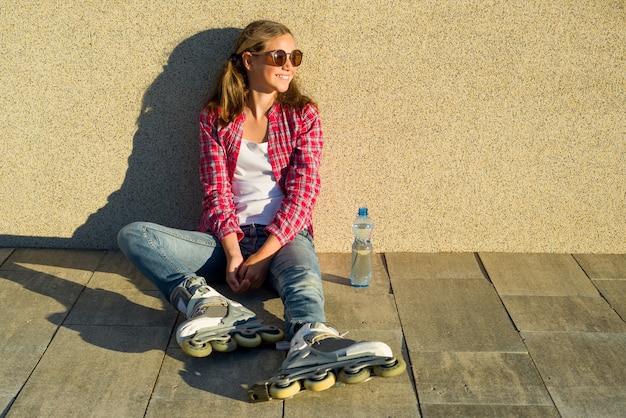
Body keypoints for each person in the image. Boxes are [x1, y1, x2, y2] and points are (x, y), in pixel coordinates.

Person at [118, 20, 404, 402]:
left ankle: (310, 337)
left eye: (295, 57)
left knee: (303, 275)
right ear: (250, 60)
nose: (289, 65)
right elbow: (215, 191)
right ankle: (207, 303)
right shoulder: (216, 117)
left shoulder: (304, 116)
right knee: (135, 235)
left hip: (284, 238)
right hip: (225, 240)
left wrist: (264, 257)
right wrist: (235, 254)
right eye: (279, 56)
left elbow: (304, 194)